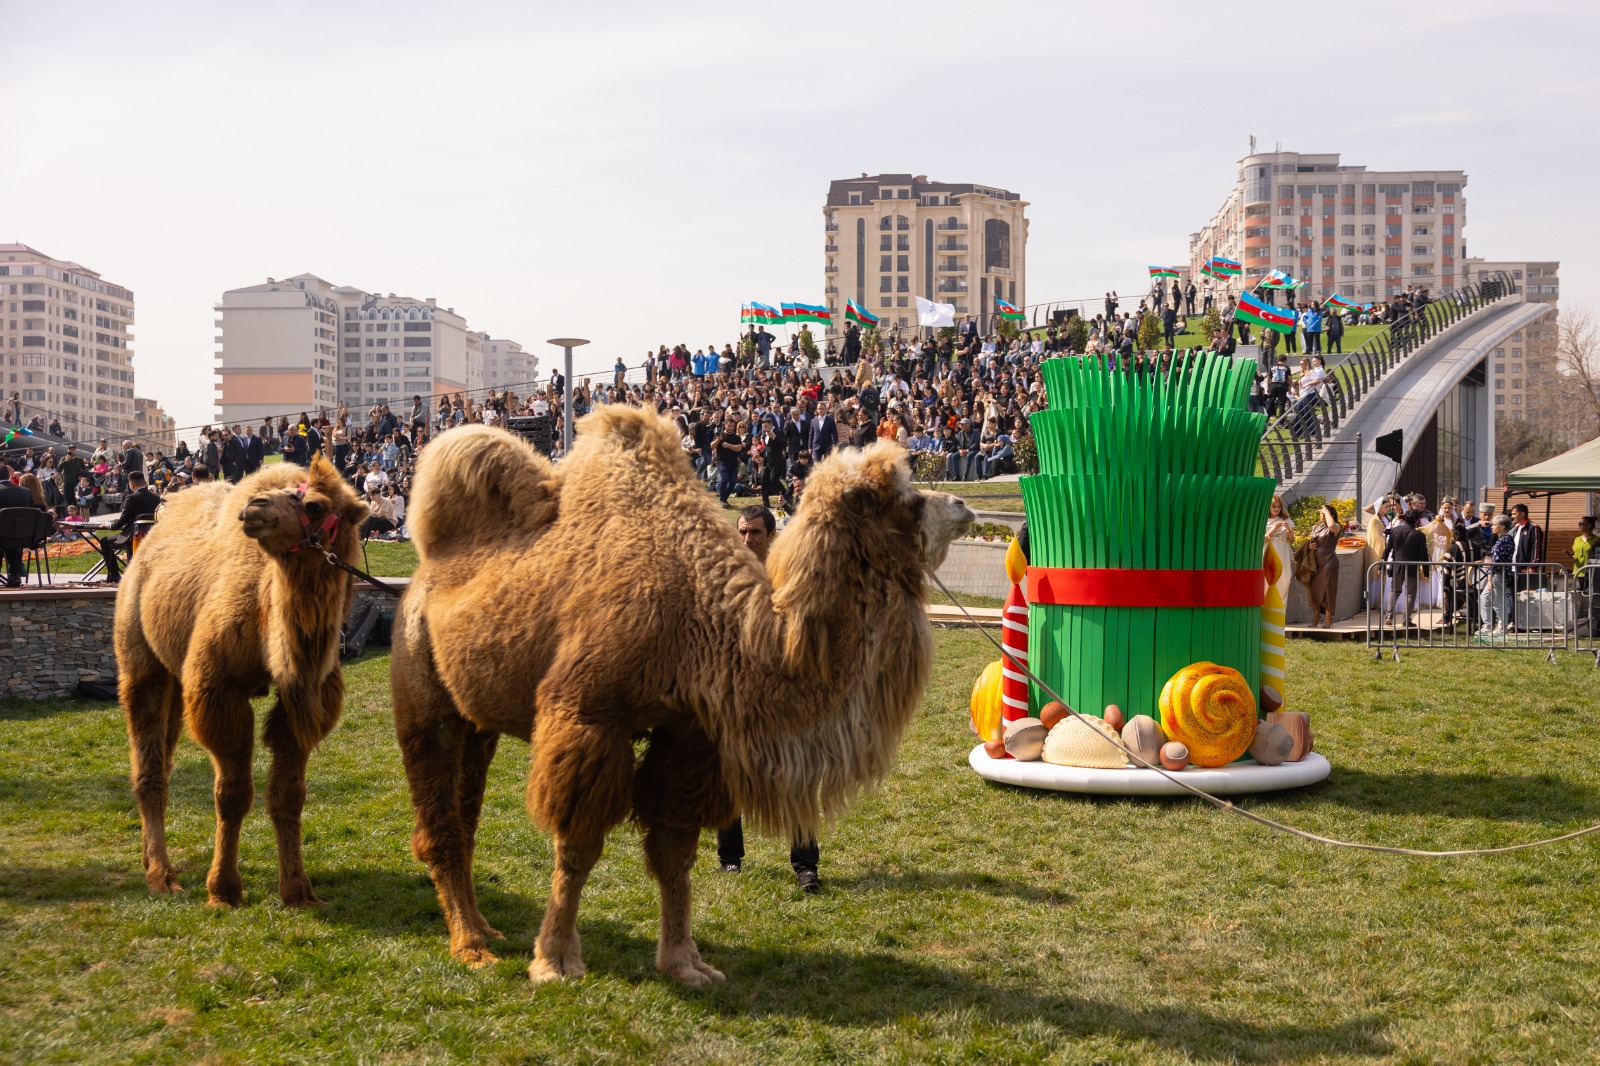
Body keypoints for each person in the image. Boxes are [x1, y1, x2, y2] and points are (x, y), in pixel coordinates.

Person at [717, 505, 822, 893]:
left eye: (755, 533)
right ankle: (730, 859)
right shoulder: (727, 579)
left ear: (771, 535)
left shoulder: (788, 579)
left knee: (799, 780)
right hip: (740, 695)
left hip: (785, 696)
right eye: (743, 532)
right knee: (732, 775)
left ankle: (805, 865)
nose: (748, 539)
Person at [94, 471, 160, 584]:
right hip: (152, 536)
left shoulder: (132, 498)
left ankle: (114, 575)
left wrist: (110, 525)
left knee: (105, 541)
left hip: (133, 536)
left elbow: (122, 521)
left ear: (131, 485)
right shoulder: (156, 498)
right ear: (145, 482)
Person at [1383, 507, 1428, 628]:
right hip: (1412, 568)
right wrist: (1426, 571)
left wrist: (1383, 561)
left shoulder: (1395, 531)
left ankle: (1389, 616)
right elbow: (1424, 555)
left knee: (1394, 590)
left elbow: (1387, 549)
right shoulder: (1419, 535)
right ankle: (1406, 620)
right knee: (1410, 594)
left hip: (1397, 565)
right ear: (1416, 521)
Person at [0, 467, 36, 587]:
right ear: (8, 476)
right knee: (10, 537)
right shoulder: (26, 492)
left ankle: (14, 574)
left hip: (3, 535)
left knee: (5, 535)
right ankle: (15, 574)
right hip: (24, 536)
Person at [1307, 502, 1341, 627]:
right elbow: (1311, 541)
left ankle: (1328, 619)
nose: (1322, 515)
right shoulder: (1316, 527)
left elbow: (1331, 525)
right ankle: (1316, 617)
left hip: (1329, 561)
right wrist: (1309, 546)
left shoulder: (1336, 526)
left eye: (1325, 513)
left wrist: (1327, 511)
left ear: (1331, 514)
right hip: (1315, 563)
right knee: (1315, 590)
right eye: (1321, 513)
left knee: (1328, 589)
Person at [1264, 495, 1294, 607]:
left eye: (1278, 507)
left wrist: (1288, 530)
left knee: (1285, 579)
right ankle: (1266, 614)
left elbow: (1292, 540)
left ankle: (1280, 614)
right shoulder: (1263, 520)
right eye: (1274, 506)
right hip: (1268, 551)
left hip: (1283, 552)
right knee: (1267, 581)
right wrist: (1274, 529)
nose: (1276, 509)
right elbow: (1262, 540)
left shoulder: (1286, 519)